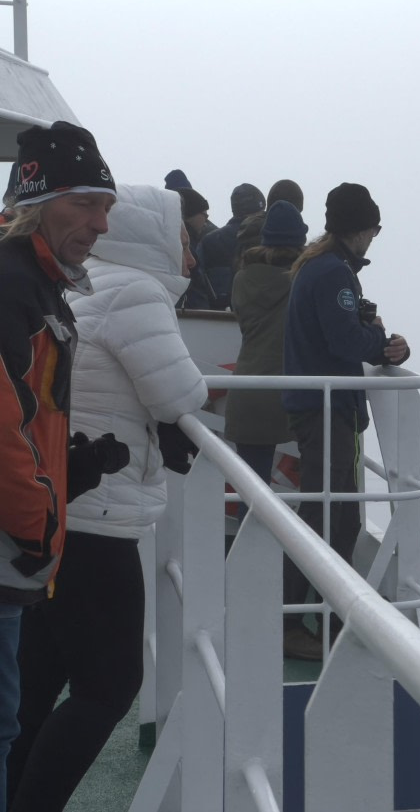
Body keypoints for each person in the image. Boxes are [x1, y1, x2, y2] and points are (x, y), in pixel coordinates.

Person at [7, 185, 208, 812]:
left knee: (37, 686)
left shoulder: (85, 282)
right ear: (154, 237)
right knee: (109, 688)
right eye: (184, 240)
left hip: (60, 506)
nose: (192, 258)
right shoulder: (138, 292)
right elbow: (181, 395)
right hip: (99, 517)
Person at [0, 121, 128, 812]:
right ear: (38, 196)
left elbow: (27, 413)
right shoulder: (12, 282)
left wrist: (71, 468)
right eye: (84, 202)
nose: (100, 223)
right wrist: (39, 520)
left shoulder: (41, 283)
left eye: (105, 207)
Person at [281, 183, 409, 660]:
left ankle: (305, 619)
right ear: (362, 228)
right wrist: (383, 345)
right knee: (335, 518)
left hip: (317, 406)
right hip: (330, 408)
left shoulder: (319, 267)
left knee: (325, 512)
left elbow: (347, 331)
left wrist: (380, 340)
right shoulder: (334, 273)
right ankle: (300, 623)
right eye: (374, 229)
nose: (375, 238)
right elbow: (343, 340)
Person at [224, 202, 305, 530]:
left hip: (248, 391)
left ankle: (248, 561)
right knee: (314, 492)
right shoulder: (301, 280)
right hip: (293, 394)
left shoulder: (242, 278)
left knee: (251, 494)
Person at [196, 182, 265, 309]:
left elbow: (198, 282)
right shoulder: (267, 237)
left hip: (216, 318)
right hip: (262, 316)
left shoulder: (208, 242)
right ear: (260, 209)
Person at [177, 187, 217, 308]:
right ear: (191, 214)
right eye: (204, 214)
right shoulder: (191, 245)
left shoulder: (195, 242)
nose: (206, 219)